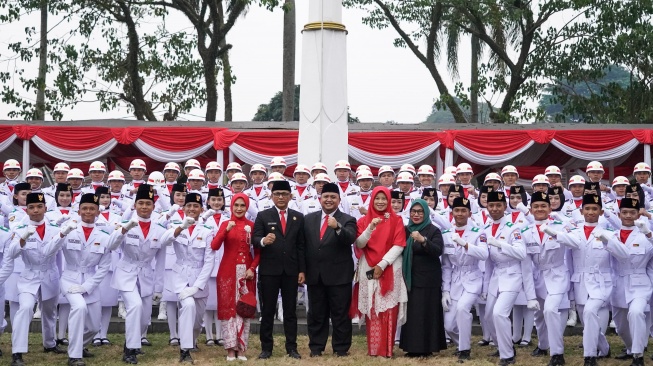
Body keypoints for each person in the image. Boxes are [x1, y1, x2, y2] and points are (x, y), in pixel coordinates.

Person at [553, 194, 629, 366]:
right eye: (587, 209)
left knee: (589, 312)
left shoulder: (609, 233)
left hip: (602, 282)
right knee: (588, 319)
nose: (590, 212)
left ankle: (590, 356)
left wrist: (607, 240)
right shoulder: (574, 233)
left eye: (594, 209)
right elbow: (569, 260)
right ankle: (604, 347)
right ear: (581, 211)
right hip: (580, 282)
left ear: (601, 211)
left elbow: (623, 255)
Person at [108, 184, 175, 364]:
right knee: (135, 306)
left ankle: (135, 340)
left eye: (148, 204)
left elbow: (160, 261)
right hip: (126, 273)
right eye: (141, 203)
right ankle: (129, 350)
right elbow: (111, 246)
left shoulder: (159, 229)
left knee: (145, 318)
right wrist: (123, 229)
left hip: (146, 275)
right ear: (135, 205)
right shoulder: (125, 224)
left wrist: (159, 288)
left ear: (154, 207)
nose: (144, 207)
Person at [0, 193, 68, 366]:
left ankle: (50, 344)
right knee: (26, 308)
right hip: (29, 275)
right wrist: (23, 238)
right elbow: (12, 253)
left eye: (39, 206)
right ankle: (17, 353)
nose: (36, 210)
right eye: (31, 207)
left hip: (50, 274)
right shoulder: (20, 228)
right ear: (27, 210)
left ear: (45, 208)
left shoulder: (54, 227)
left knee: (49, 312)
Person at [59, 193, 121, 366]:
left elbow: (104, 267)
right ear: (78, 211)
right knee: (79, 308)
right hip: (69, 278)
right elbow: (52, 251)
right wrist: (60, 234)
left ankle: (80, 345)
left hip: (91, 281)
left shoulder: (103, 236)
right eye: (84, 208)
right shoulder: (69, 230)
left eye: (92, 208)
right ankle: (74, 356)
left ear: (98, 212)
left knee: (94, 327)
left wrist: (87, 286)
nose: (88, 211)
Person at [482, 191, 537, 366]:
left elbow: (521, 253)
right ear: (487, 207)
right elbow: (489, 263)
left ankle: (507, 356)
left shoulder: (514, 228)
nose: (495, 208)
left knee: (500, 313)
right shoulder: (486, 228)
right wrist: (485, 288)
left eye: (498, 205)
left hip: (512, 275)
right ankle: (502, 345)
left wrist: (501, 244)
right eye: (491, 205)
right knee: (489, 316)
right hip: (496, 276)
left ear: (505, 207)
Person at [253, 180, 306, 359]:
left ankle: (292, 347)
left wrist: (302, 270)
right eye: (277, 194)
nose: (281, 197)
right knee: (267, 311)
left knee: (290, 311)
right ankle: (266, 348)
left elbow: (301, 246)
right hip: (269, 270)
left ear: (291, 196)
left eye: (284, 194)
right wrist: (262, 241)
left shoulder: (298, 217)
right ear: (272, 196)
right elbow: (254, 238)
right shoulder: (263, 215)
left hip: (291, 271)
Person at [303, 182, 357, 357]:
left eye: (333, 197)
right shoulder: (309, 219)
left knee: (340, 314)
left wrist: (337, 227)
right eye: (326, 196)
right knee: (316, 314)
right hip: (315, 275)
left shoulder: (347, 219)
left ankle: (341, 348)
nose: (329, 200)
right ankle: (316, 347)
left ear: (339, 200)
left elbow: (350, 238)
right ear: (320, 199)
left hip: (339, 275)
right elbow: (304, 246)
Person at [354, 186, 407, 358]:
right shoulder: (363, 221)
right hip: (368, 267)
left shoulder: (396, 220)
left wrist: (382, 264)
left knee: (388, 309)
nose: (381, 202)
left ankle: (387, 349)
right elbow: (360, 244)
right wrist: (370, 228)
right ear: (372, 200)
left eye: (384, 199)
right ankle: (374, 349)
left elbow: (399, 245)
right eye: (377, 198)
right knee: (373, 306)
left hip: (390, 267)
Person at [522, 192, 570, 366]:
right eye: (536, 206)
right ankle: (543, 345)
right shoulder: (525, 232)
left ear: (550, 208)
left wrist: (558, 233)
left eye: (544, 206)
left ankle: (557, 354)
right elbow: (526, 267)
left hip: (557, 275)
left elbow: (573, 244)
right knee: (539, 315)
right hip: (537, 277)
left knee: (550, 310)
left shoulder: (561, 226)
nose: (540, 209)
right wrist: (529, 296)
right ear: (531, 209)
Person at [603, 198, 653, 365]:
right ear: (619, 214)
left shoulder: (645, 234)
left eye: (632, 212)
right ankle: (631, 348)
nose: (628, 216)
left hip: (640, 283)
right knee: (621, 327)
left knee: (636, 313)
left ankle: (638, 356)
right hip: (618, 284)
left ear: (638, 214)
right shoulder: (611, 235)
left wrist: (649, 234)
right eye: (625, 212)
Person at [211, 193, 260, 361]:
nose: (239, 209)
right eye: (236, 205)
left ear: (247, 207)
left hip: (246, 273)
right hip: (227, 272)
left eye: (242, 206)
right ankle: (230, 348)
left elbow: (259, 252)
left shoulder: (252, 225)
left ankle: (242, 348)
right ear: (231, 206)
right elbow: (214, 245)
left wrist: (252, 268)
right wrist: (225, 230)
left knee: (244, 308)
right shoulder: (225, 223)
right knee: (229, 310)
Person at [168, 193, 216, 363]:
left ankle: (192, 340)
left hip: (199, 278)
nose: (192, 209)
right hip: (180, 275)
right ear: (183, 208)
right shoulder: (175, 225)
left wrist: (197, 286)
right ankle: (185, 350)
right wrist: (181, 227)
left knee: (197, 322)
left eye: (196, 206)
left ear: (202, 209)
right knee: (187, 306)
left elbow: (209, 260)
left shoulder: (208, 230)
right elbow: (165, 241)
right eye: (188, 206)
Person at [441, 197, 488, 361]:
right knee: (448, 324)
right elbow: (446, 265)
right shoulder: (446, 234)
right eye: (457, 210)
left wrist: (465, 244)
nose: (460, 214)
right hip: (455, 279)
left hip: (472, 277)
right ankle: (462, 343)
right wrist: (445, 290)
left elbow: (484, 254)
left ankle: (464, 350)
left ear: (469, 213)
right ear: (452, 212)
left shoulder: (478, 232)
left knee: (462, 309)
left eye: (463, 210)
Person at [399, 198, 447, 357]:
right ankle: (411, 347)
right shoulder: (406, 229)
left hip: (428, 280)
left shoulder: (433, 230)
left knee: (426, 314)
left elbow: (438, 250)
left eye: (420, 212)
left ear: (426, 212)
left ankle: (426, 348)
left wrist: (423, 240)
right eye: (413, 211)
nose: (416, 214)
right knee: (412, 315)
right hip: (409, 278)